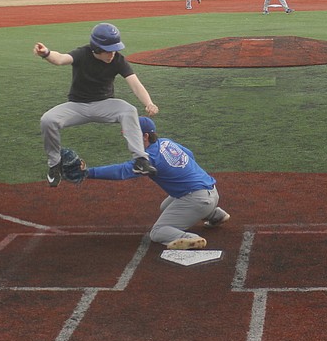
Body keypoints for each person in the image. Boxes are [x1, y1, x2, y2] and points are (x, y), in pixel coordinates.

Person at [34, 22, 159, 187]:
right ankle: (54, 165)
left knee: (129, 110)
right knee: (47, 120)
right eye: (108, 50)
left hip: (105, 105)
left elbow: (135, 84)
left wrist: (149, 103)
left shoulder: (118, 60)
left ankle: (140, 160)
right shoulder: (82, 54)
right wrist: (46, 53)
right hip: (77, 106)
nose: (112, 54)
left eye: (115, 49)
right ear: (96, 48)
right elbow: (61, 59)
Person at [86, 117, 229, 250]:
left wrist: (88, 173)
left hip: (197, 199)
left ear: (145, 136)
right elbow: (189, 154)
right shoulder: (166, 142)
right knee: (165, 206)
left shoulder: (150, 158)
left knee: (157, 232)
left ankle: (190, 238)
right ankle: (215, 214)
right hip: (211, 192)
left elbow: (121, 171)